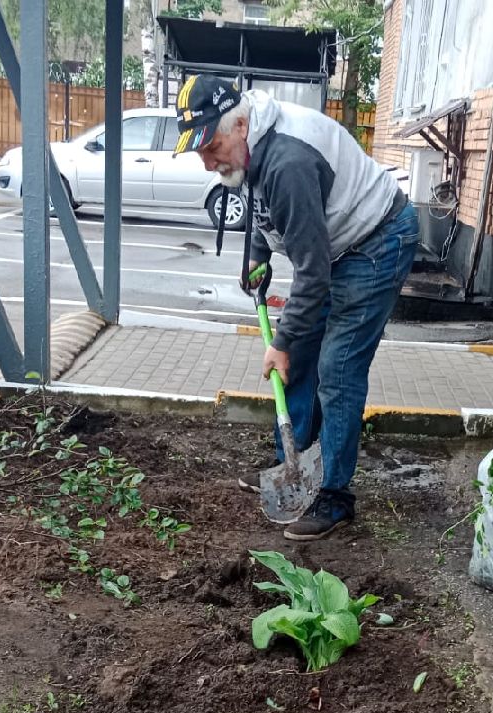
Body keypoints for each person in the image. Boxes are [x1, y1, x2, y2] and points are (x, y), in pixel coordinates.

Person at [173, 75, 419, 541]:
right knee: (303, 350)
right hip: (336, 249)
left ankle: (334, 495)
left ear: (241, 124)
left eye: (211, 146)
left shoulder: (288, 161)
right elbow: (257, 204)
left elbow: (313, 270)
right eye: (199, 152)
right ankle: (293, 459)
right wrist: (258, 256)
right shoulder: (245, 153)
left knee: (337, 367)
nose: (208, 163)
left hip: (377, 242)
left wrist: (282, 343)